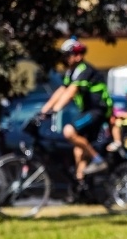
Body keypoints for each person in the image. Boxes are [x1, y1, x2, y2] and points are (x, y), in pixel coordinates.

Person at [40, 38, 113, 183]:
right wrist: (45, 109)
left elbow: (72, 91)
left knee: (69, 131)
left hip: (97, 110)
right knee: (79, 149)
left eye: (69, 55)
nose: (66, 58)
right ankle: (82, 186)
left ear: (78, 55)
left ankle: (98, 160)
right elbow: (62, 89)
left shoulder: (84, 70)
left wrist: (55, 109)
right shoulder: (71, 72)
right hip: (87, 111)